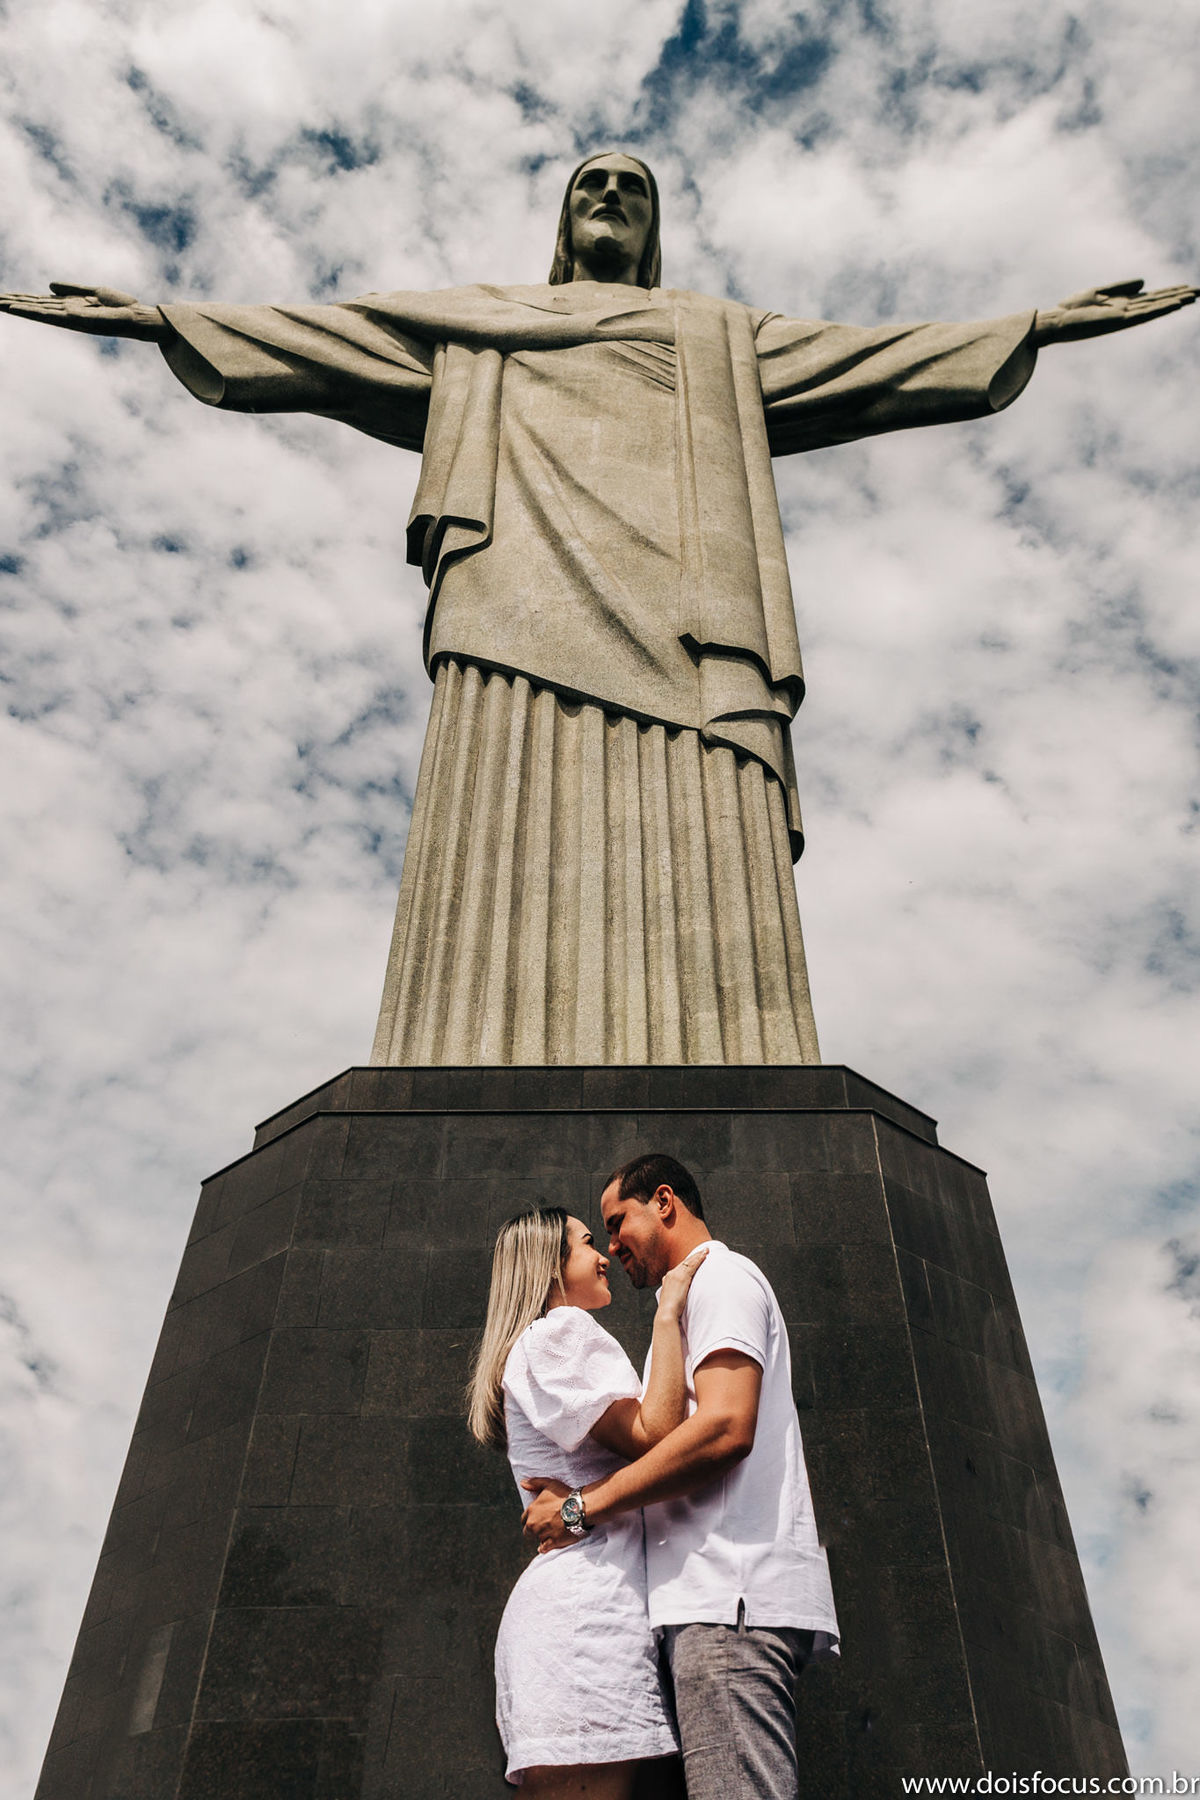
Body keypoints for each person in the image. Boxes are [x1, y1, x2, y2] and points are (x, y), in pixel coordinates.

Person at [2, 157, 1191, 1067]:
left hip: (686, 615)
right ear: (565, 223)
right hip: (515, 595)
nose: (612, 195)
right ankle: (465, 1043)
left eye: (631, 187)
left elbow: (872, 361)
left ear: (652, 230)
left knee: (699, 818)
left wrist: (1031, 325)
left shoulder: (716, 335)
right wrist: (164, 318)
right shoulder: (477, 326)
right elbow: (321, 343)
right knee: (497, 814)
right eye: (592, 184)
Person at [521, 1154, 837, 1800]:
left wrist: (581, 1508)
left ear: (663, 1202)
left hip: (728, 1605)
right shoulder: (695, 1296)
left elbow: (723, 1428)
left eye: (616, 1223)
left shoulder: (720, 1278)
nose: (612, 1246)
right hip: (712, 1609)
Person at [467, 1203, 708, 1796]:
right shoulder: (558, 1332)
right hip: (584, 1624)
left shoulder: (540, 1343)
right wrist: (669, 1311)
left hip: (585, 1617)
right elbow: (657, 1437)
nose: (603, 1255)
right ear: (550, 1268)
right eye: (583, 1244)